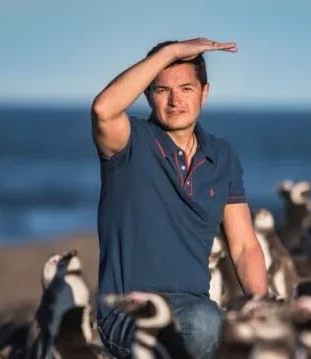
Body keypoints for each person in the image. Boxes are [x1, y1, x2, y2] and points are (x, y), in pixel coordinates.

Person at [91, 37, 268, 358]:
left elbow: (244, 247)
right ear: (147, 94)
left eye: (186, 88)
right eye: (162, 90)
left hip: (196, 307)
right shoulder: (129, 143)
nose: (175, 101)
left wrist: (262, 308)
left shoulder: (222, 156)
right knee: (205, 325)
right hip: (128, 312)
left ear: (205, 93)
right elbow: (103, 109)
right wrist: (169, 53)